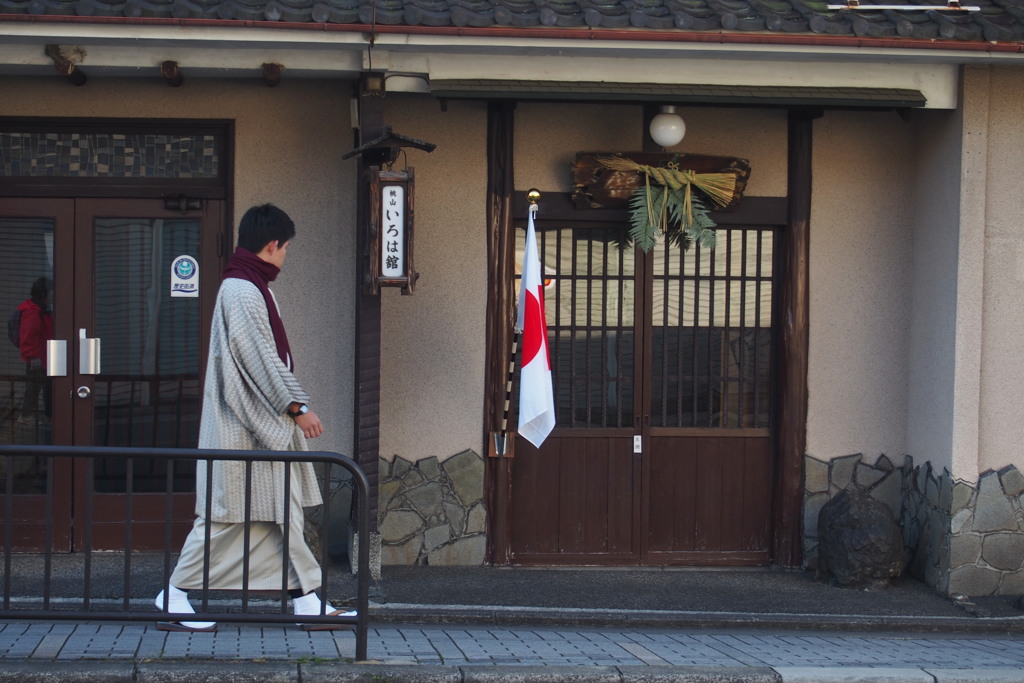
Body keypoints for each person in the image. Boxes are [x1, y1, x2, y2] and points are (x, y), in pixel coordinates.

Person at [156, 204, 353, 633]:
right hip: (242, 426)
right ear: (272, 245)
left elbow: (259, 356)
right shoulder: (243, 290)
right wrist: (296, 407)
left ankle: (305, 601)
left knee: (280, 513)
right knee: (226, 518)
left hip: (253, 424)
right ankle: (173, 595)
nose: (286, 257)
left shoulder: (248, 285)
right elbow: (258, 357)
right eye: (286, 248)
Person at [17, 277, 53, 426]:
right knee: (33, 388)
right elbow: (29, 336)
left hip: (43, 357)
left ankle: (35, 415)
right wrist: (34, 358)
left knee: (38, 387)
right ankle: (26, 416)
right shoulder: (33, 312)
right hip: (38, 359)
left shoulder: (41, 310)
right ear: (43, 294)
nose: (52, 295)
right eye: (51, 292)